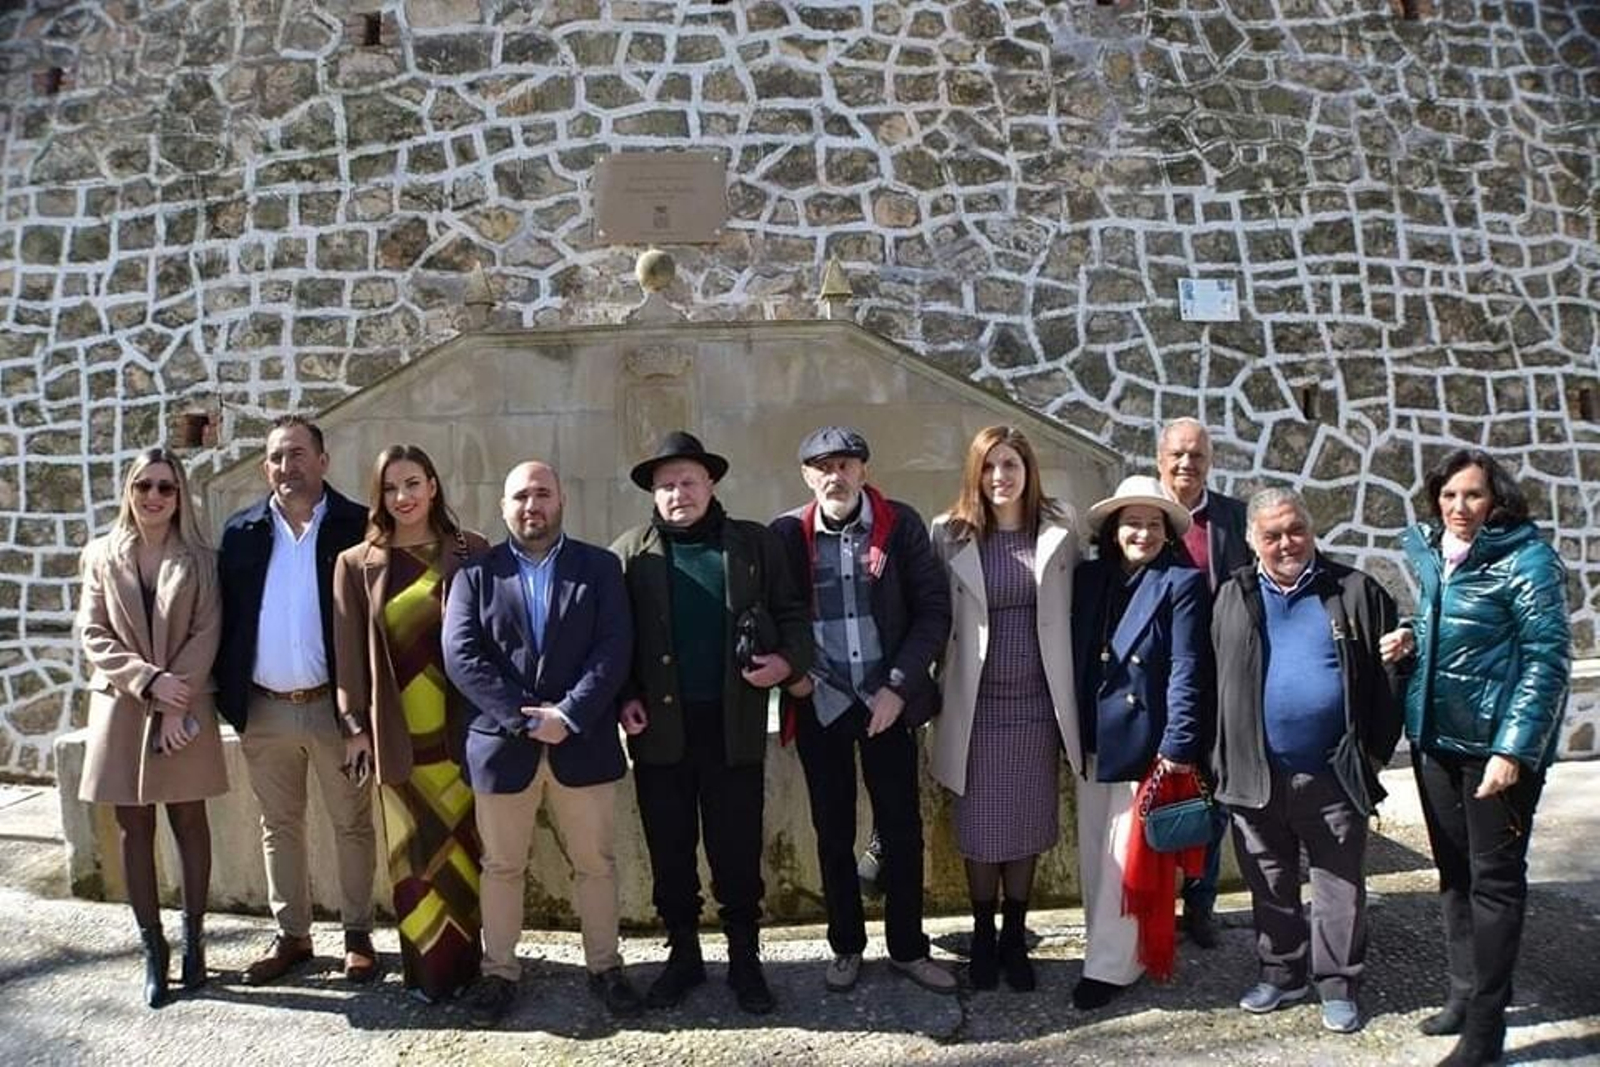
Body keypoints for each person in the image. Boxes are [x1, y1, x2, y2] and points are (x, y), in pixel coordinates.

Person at [1379, 448, 1570, 1067]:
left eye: (1473, 496)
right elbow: (1455, 628)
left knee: (1494, 886)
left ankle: (1486, 1032)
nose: (1459, 508)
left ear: (1496, 501)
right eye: (1449, 496)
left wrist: (1513, 750)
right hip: (1436, 743)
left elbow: (1546, 661)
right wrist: (1414, 633)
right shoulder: (1439, 556)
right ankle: (1464, 996)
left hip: (1494, 755)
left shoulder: (1528, 561)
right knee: (1455, 878)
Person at [611, 431, 812, 1014]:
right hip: (660, 733)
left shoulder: (752, 544)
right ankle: (683, 958)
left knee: (736, 852)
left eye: (689, 482)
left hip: (734, 727)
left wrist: (786, 662)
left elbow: (793, 615)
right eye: (667, 485)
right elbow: (614, 638)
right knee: (670, 852)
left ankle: (745, 961)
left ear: (711, 484)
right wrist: (624, 694)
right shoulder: (630, 553)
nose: (679, 494)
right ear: (653, 492)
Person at [443, 460, 641, 1027]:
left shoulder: (600, 568)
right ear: (504, 508)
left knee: (595, 865)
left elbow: (614, 646)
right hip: (505, 747)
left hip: (583, 744)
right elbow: (463, 658)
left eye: (543, 494)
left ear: (561, 501)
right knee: (501, 866)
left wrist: (570, 714)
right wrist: (525, 719)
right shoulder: (474, 577)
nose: (533, 506)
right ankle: (499, 972)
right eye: (520, 497)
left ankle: (606, 967)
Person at [771, 427, 956, 996]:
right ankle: (846, 945)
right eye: (822, 466)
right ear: (807, 476)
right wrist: (797, 678)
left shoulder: (898, 524)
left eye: (846, 464)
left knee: (901, 829)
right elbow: (773, 612)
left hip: (886, 702)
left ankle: (907, 948)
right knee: (832, 833)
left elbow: (932, 611)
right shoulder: (785, 534)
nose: (835, 475)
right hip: (822, 701)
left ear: (864, 471)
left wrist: (899, 686)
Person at [1212, 488, 1404, 1034]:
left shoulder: (1354, 590)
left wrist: (1367, 757)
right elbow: (1211, 681)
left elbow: (1389, 681)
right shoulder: (1232, 594)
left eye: (1295, 530)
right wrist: (1219, 758)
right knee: (1269, 881)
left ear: (1311, 530)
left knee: (1338, 884)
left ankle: (1338, 984)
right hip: (1254, 772)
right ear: (1252, 540)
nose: (1286, 543)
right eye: (1271, 535)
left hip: (1331, 773)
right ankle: (1281, 973)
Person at [215, 415, 378, 986]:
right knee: (278, 824)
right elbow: (226, 619)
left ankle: (358, 935)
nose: (289, 466)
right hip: (264, 707)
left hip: (338, 710)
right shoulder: (242, 532)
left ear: (324, 460)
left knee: (352, 823)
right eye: (278, 457)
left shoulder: (359, 526)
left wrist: (365, 711)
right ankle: (293, 936)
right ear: (266, 468)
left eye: (299, 454)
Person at [333, 445, 490, 1003]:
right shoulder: (356, 564)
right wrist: (354, 725)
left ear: (433, 485)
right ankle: (427, 973)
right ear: (379, 496)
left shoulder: (470, 550)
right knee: (415, 860)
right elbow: (349, 657)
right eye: (391, 488)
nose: (404, 497)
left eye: (413, 484)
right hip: (398, 737)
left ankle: (469, 968)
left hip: (461, 735)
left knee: (465, 854)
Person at [75, 447, 229, 1007]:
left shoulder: (202, 560)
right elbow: (93, 634)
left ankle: (194, 941)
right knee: (131, 828)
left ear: (179, 495)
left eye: (165, 487)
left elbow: (208, 632)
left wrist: (173, 701)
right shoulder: (99, 555)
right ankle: (152, 950)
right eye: (144, 486)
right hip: (122, 707)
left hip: (184, 709)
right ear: (130, 491)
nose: (154, 497)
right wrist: (148, 682)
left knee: (190, 821)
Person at [929, 426, 1078, 992]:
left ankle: (1016, 934)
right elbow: (933, 616)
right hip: (976, 709)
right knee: (980, 829)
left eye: (1010, 464)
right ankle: (984, 933)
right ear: (975, 473)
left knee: (1028, 823)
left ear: (1027, 469)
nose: (1000, 477)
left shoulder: (1059, 529)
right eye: (989, 466)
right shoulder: (950, 533)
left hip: (1039, 706)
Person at [1069, 474, 1210, 1009]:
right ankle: (1102, 949)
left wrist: (1178, 744)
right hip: (1089, 733)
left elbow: (1187, 668)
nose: (1143, 534)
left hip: (1146, 740)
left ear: (1167, 533)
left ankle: (1110, 968)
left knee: (1124, 861)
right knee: (1093, 852)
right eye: (1132, 523)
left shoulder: (1182, 581)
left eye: (1153, 525)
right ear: (1112, 529)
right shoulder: (1089, 579)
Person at [1157, 417, 1251, 948]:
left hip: (1221, 688)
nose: (1187, 464)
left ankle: (1200, 902)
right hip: (1157, 688)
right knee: (1157, 798)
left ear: (1209, 461)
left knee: (1212, 803)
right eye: (1177, 454)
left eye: (1196, 455)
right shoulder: (1142, 520)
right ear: (1159, 459)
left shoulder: (1235, 520)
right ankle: (1151, 902)